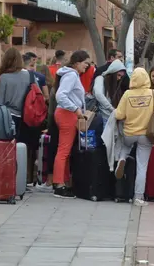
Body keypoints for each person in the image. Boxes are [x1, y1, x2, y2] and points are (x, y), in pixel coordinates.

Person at [114, 67, 154, 206]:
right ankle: (138, 197)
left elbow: (119, 115)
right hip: (145, 135)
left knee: (125, 146)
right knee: (142, 166)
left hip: (129, 133)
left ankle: (122, 158)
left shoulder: (127, 94)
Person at [53, 50, 91, 199]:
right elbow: (60, 95)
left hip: (65, 113)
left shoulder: (68, 74)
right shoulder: (71, 76)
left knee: (64, 150)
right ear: (76, 63)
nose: (86, 67)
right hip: (68, 114)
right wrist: (76, 109)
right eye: (85, 63)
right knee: (64, 151)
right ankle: (59, 185)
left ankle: (62, 182)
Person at [0, 48, 34, 190]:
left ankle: (7, 179)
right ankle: (22, 181)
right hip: (26, 117)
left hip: (8, 116)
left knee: (7, 149)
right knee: (22, 150)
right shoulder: (28, 75)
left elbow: (0, 102)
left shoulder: (4, 77)